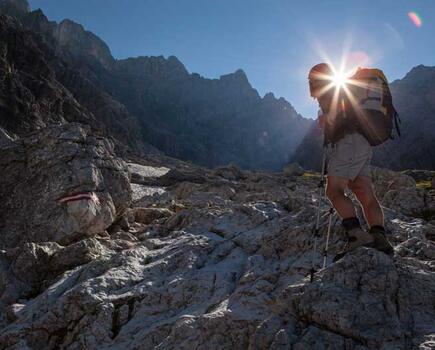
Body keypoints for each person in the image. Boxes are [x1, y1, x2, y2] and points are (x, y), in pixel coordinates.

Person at [308, 63, 394, 261]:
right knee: (364, 191)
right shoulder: (351, 87)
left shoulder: (328, 89)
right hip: (364, 142)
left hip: (347, 142)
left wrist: (325, 122)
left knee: (334, 191)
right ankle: (379, 238)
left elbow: (334, 118)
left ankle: (357, 236)